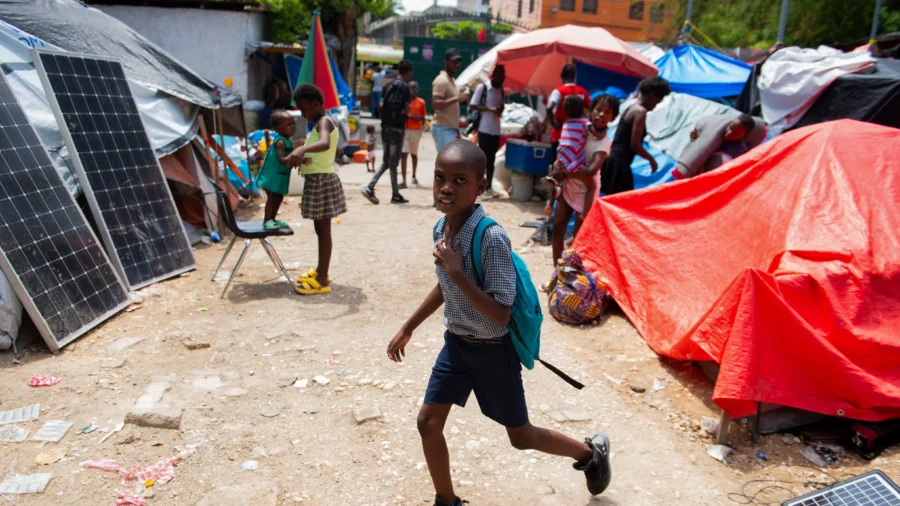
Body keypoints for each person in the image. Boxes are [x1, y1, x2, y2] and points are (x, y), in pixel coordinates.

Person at [386, 139, 612, 506]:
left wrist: (458, 274)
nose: (446, 188)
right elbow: (445, 285)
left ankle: (589, 453)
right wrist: (409, 326)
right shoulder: (441, 228)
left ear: (480, 186)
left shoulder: (491, 237)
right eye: (440, 178)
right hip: (457, 346)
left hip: (494, 353)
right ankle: (447, 500)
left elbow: (500, 312)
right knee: (428, 423)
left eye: (460, 180)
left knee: (521, 437)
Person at [543, 95, 619, 288]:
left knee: (579, 239)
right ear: (591, 111)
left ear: (612, 117)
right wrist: (559, 167)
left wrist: (564, 173)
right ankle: (557, 275)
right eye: (598, 110)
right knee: (558, 228)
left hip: (586, 189)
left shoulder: (605, 141)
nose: (601, 115)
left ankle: (572, 280)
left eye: (607, 112)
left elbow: (592, 170)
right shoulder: (580, 128)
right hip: (569, 185)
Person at [287, 84, 347, 295]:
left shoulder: (324, 122)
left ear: (315, 104)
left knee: (323, 232)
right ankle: (321, 270)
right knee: (321, 231)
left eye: (304, 110)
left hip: (321, 181)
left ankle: (322, 278)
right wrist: (308, 158)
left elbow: (324, 143)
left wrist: (303, 149)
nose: (303, 115)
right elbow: (335, 151)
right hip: (319, 178)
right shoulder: (325, 122)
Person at [602, 77, 670, 195]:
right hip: (619, 161)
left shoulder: (632, 106)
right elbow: (635, 144)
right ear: (651, 96)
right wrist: (651, 160)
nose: (657, 105)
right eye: (658, 100)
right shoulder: (640, 112)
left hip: (615, 159)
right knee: (621, 198)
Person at [362, 59, 413, 205]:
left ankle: (376, 188)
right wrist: (403, 116)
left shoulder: (387, 85)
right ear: (408, 72)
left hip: (385, 127)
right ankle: (389, 193)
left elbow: (380, 104)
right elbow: (407, 107)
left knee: (387, 161)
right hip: (397, 128)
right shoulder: (405, 87)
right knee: (393, 162)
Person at [673, 114, 761, 179]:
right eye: (731, 127)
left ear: (744, 136)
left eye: (736, 134)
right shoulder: (715, 135)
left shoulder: (738, 150)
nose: (729, 133)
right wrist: (697, 138)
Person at [256, 110, 296, 230]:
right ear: (278, 128)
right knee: (272, 198)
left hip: (279, 175)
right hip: (271, 176)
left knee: (279, 197)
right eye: (288, 124)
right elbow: (282, 159)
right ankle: (267, 220)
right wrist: (296, 159)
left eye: (293, 123)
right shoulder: (281, 142)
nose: (293, 126)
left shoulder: (289, 140)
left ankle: (273, 219)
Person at [469, 65, 505, 200]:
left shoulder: (501, 90)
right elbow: (473, 105)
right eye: (500, 76)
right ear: (494, 76)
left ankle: (488, 187)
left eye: (504, 76)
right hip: (484, 128)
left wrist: (500, 109)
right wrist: (490, 109)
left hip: (496, 129)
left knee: (492, 159)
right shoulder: (483, 88)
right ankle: (479, 187)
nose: (502, 79)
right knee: (483, 159)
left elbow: (501, 106)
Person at [546, 64, 591, 166]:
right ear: (574, 76)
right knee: (574, 165)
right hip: (578, 136)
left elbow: (549, 108)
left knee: (556, 165)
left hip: (560, 134)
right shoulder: (582, 91)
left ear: (561, 76)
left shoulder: (558, 91)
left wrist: (554, 123)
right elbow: (591, 107)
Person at [431, 48, 469, 153]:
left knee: (450, 160)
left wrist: (456, 130)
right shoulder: (441, 80)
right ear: (446, 62)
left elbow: (453, 109)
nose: (457, 64)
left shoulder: (452, 80)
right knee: (447, 160)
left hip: (450, 129)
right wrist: (458, 98)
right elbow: (436, 104)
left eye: (458, 61)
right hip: (442, 128)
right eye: (454, 61)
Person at [401, 81, 427, 187]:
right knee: (404, 154)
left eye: (415, 88)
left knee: (414, 154)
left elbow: (422, 117)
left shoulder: (421, 102)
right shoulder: (404, 101)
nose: (413, 90)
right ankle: (403, 180)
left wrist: (410, 117)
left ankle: (414, 175)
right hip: (405, 130)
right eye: (411, 88)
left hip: (416, 131)